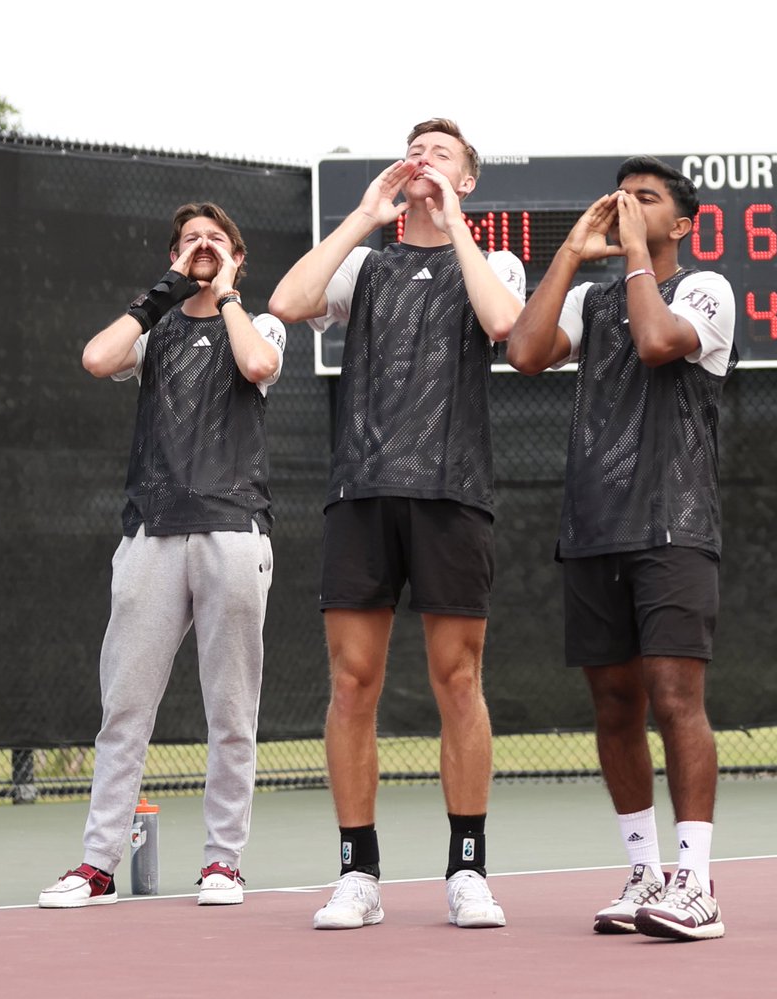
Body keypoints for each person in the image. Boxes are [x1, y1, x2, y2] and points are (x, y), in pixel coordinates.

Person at [268, 118, 524, 931]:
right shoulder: (366, 266)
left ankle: (469, 867)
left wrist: (454, 226)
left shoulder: (495, 259)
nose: (426, 159)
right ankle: (358, 872)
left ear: (467, 179)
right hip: (362, 491)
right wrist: (367, 209)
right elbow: (287, 300)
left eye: (442, 152)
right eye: (417, 150)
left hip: (451, 493)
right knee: (351, 683)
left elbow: (506, 324)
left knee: (458, 682)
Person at [507, 156, 736, 942]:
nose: (628, 209)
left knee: (676, 701)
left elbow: (657, 341)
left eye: (647, 201)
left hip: (675, 527)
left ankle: (695, 881)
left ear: (682, 223)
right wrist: (572, 250)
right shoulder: (587, 295)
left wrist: (635, 251)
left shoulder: (707, 289)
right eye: (621, 198)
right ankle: (642, 870)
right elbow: (524, 353)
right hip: (593, 527)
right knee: (614, 707)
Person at [39, 203, 285, 908]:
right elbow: (95, 358)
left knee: (231, 710)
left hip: (233, 531)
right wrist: (164, 291)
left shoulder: (258, 324)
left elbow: (259, 363)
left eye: (215, 240)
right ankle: (97, 864)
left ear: (237, 256)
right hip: (151, 532)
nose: (201, 247)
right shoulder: (155, 332)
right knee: (124, 708)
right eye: (188, 241)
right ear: (174, 255)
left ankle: (222, 862)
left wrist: (228, 290)